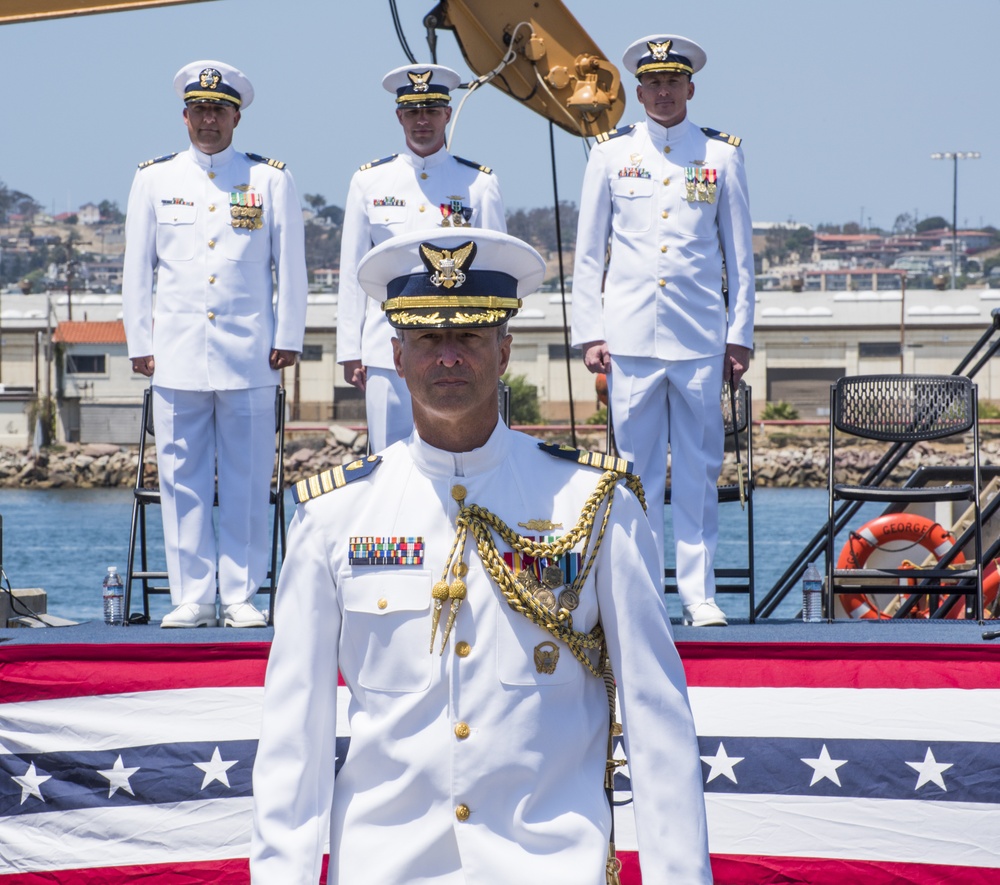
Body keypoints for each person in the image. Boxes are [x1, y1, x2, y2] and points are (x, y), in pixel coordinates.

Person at [251, 228, 711, 884]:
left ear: (504, 350)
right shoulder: (332, 517)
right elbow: (293, 739)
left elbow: (656, 723)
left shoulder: (595, 500)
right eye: (427, 340)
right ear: (397, 354)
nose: (447, 358)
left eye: (467, 337)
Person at [571, 34, 755, 628]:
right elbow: (589, 256)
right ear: (640, 90)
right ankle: (643, 589)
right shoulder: (608, 154)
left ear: (690, 88)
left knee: (700, 469)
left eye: (673, 82)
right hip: (628, 339)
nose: (663, 92)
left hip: (701, 337)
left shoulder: (720, 156)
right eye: (653, 83)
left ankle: (699, 595)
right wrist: (590, 331)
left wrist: (739, 333)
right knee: (635, 472)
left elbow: (741, 256)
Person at [122, 60, 307, 628]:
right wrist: (139, 340)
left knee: (250, 477)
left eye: (218, 110)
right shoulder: (154, 179)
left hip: (251, 352)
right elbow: (137, 268)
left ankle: (240, 595)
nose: (209, 119)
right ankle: (193, 596)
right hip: (175, 352)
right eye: (199, 109)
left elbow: (291, 268)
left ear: (236, 116)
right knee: (181, 478)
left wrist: (289, 336)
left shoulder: (268, 180)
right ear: (184, 116)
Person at [336, 63, 507, 452]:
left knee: (459, 451)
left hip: (458, 348)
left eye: (431, 111)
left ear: (447, 113)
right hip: (386, 346)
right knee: (387, 457)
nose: (422, 121)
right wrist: (350, 350)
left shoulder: (480, 184)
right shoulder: (369, 182)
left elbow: (496, 270)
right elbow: (352, 272)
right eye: (413, 112)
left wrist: (493, 343)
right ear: (399, 116)